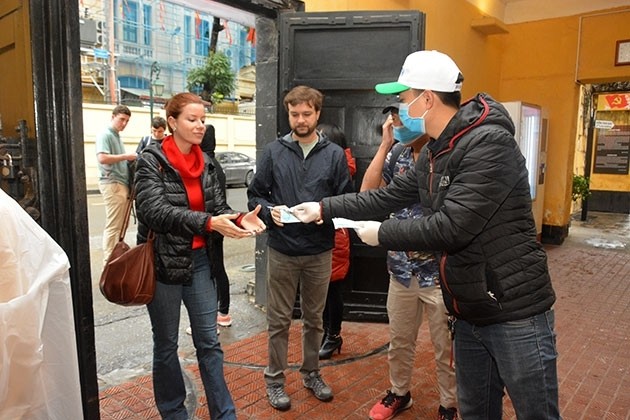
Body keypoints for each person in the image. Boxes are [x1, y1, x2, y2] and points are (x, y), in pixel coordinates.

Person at [291, 50, 560, 420]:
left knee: (536, 414)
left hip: (514, 311)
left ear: (427, 99)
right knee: (477, 412)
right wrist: (323, 208)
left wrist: (382, 233)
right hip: (469, 310)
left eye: (404, 99)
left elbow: (452, 226)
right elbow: (387, 196)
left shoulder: (488, 144)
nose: (400, 110)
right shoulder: (436, 152)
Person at [134, 92, 266, 419]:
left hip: (200, 263)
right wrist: (207, 222)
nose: (199, 126)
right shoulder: (151, 161)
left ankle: (224, 413)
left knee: (209, 343)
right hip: (163, 266)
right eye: (192, 119)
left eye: (203, 120)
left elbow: (217, 208)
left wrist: (237, 218)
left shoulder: (206, 162)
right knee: (165, 345)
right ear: (173, 122)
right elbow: (154, 211)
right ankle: (173, 411)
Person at [247, 85, 353, 411]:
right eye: (295, 114)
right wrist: (268, 211)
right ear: (288, 113)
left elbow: (345, 200)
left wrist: (327, 213)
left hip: (319, 251)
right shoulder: (273, 152)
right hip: (282, 250)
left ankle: (311, 374)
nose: (301, 119)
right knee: (278, 321)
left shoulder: (334, 155)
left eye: (307, 113)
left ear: (318, 114)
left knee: (314, 320)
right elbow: (255, 195)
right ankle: (275, 381)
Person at [361, 105, 457, 420]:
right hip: (400, 270)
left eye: (403, 118)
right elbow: (367, 193)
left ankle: (450, 404)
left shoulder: (446, 155)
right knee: (400, 341)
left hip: (438, 272)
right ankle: (399, 394)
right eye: (395, 120)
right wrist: (385, 144)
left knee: (446, 348)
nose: (397, 124)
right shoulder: (397, 156)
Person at [315, 123, 356, 360]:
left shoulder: (340, 165)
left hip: (335, 234)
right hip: (323, 233)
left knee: (332, 290)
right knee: (323, 290)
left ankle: (333, 335)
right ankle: (326, 333)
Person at [96, 104, 137, 264]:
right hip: (112, 182)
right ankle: (109, 261)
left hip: (120, 183)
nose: (124, 123)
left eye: (127, 120)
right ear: (113, 117)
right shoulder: (105, 134)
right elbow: (102, 158)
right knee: (114, 225)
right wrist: (126, 156)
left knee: (121, 224)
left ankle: (115, 258)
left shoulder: (116, 136)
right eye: (121, 119)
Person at [202, 124, 233, 329]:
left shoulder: (207, 164)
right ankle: (222, 313)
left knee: (211, 271)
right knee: (216, 268)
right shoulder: (213, 162)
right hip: (215, 225)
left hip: (211, 226)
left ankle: (218, 315)